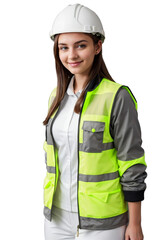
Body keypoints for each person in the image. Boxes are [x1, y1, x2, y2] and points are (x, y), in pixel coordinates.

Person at [42, 3, 147, 240]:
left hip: (103, 222)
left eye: (81, 46)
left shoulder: (117, 96)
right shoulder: (56, 97)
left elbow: (132, 163)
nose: (71, 55)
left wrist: (135, 223)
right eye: (63, 48)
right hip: (56, 218)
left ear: (97, 46)